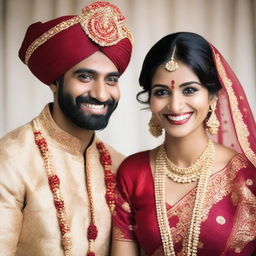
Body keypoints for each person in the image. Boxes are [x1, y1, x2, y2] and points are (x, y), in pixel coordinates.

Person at [0, 1, 133, 256]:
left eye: (111, 80)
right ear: (54, 81)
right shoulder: (11, 159)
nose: (101, 94)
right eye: (85, 77)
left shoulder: (119, 166)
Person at [111, 32, 256, 256]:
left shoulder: (246, 175)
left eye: (189, 90)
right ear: (150, 99)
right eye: (161, 92)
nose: (176, 106)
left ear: (212, 97)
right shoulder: (133, 173)